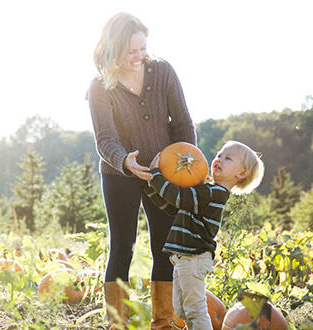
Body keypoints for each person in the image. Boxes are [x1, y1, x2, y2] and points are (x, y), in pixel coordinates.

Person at [87, 12, 197, 329]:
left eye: (143, 49)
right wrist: (126, 162)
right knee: (123, 246)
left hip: (164, 173)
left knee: (165, 245)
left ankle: (164, 321)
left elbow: (184, 125)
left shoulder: (162, 72)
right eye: (131, 51)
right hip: (120, 174)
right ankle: (117, 323)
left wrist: (181, 162)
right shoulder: (99, 87)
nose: (139, 57)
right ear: (114, 49)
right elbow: (105, 139)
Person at [144, 140, 264, 329]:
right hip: (183, 258)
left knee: (195, 309)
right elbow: (173, 208)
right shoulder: (207, 190)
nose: (219, 159)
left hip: (193, 258)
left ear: (241, 174)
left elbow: (179, 198)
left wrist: (155, 176)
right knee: (182, 309)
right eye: (219, 155)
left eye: (228, 158)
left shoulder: (215, 193)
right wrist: (149, 189)